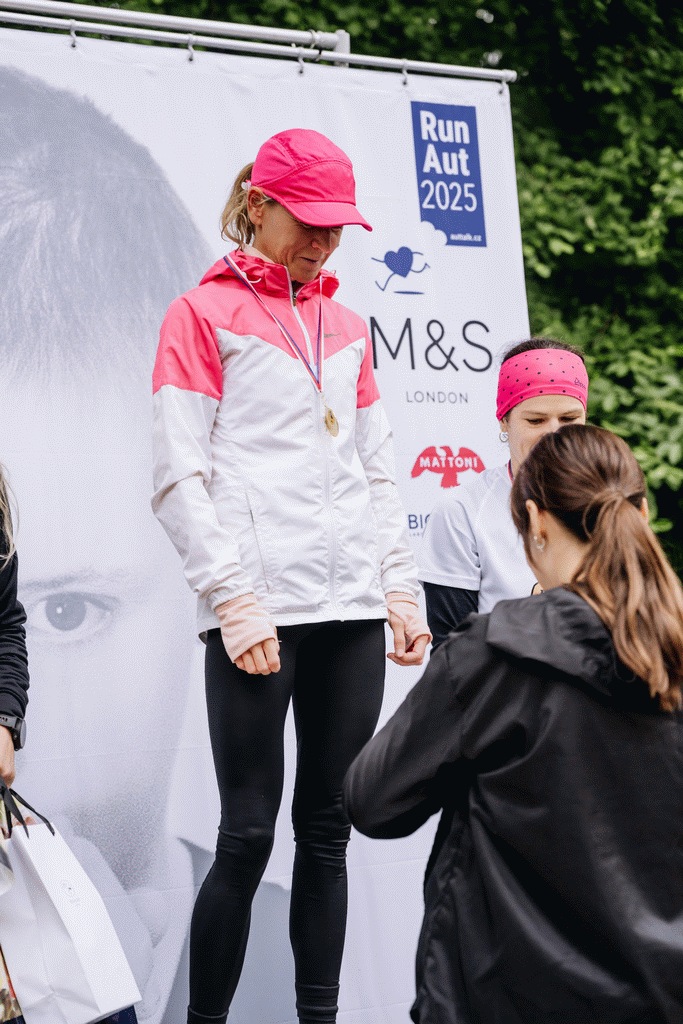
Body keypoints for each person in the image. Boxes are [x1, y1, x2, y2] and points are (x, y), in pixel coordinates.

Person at [151, 127, 431, 1024]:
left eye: (337, 224)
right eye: (308, 220)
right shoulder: (200, 313)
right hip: (258, 613)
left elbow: (375, 473)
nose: (324, 239)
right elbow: (178, 475)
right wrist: (232, 600)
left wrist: (398, 588)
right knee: (243, 837)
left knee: (327, 833)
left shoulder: (346, 328)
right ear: (258, 204)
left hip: (351, 609)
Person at [345, 423, 683, 1024]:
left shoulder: (495, 652)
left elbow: (373, 802)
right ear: (641, 512)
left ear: (535, 520)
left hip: (498, 997)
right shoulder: (671, 652)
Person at [419, 337, 588, 649]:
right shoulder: (462, 510)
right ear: (504, 421)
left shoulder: (608, 500)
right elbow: (451, 651)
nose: (554, 433)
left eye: (569, 418)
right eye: (536, 420)